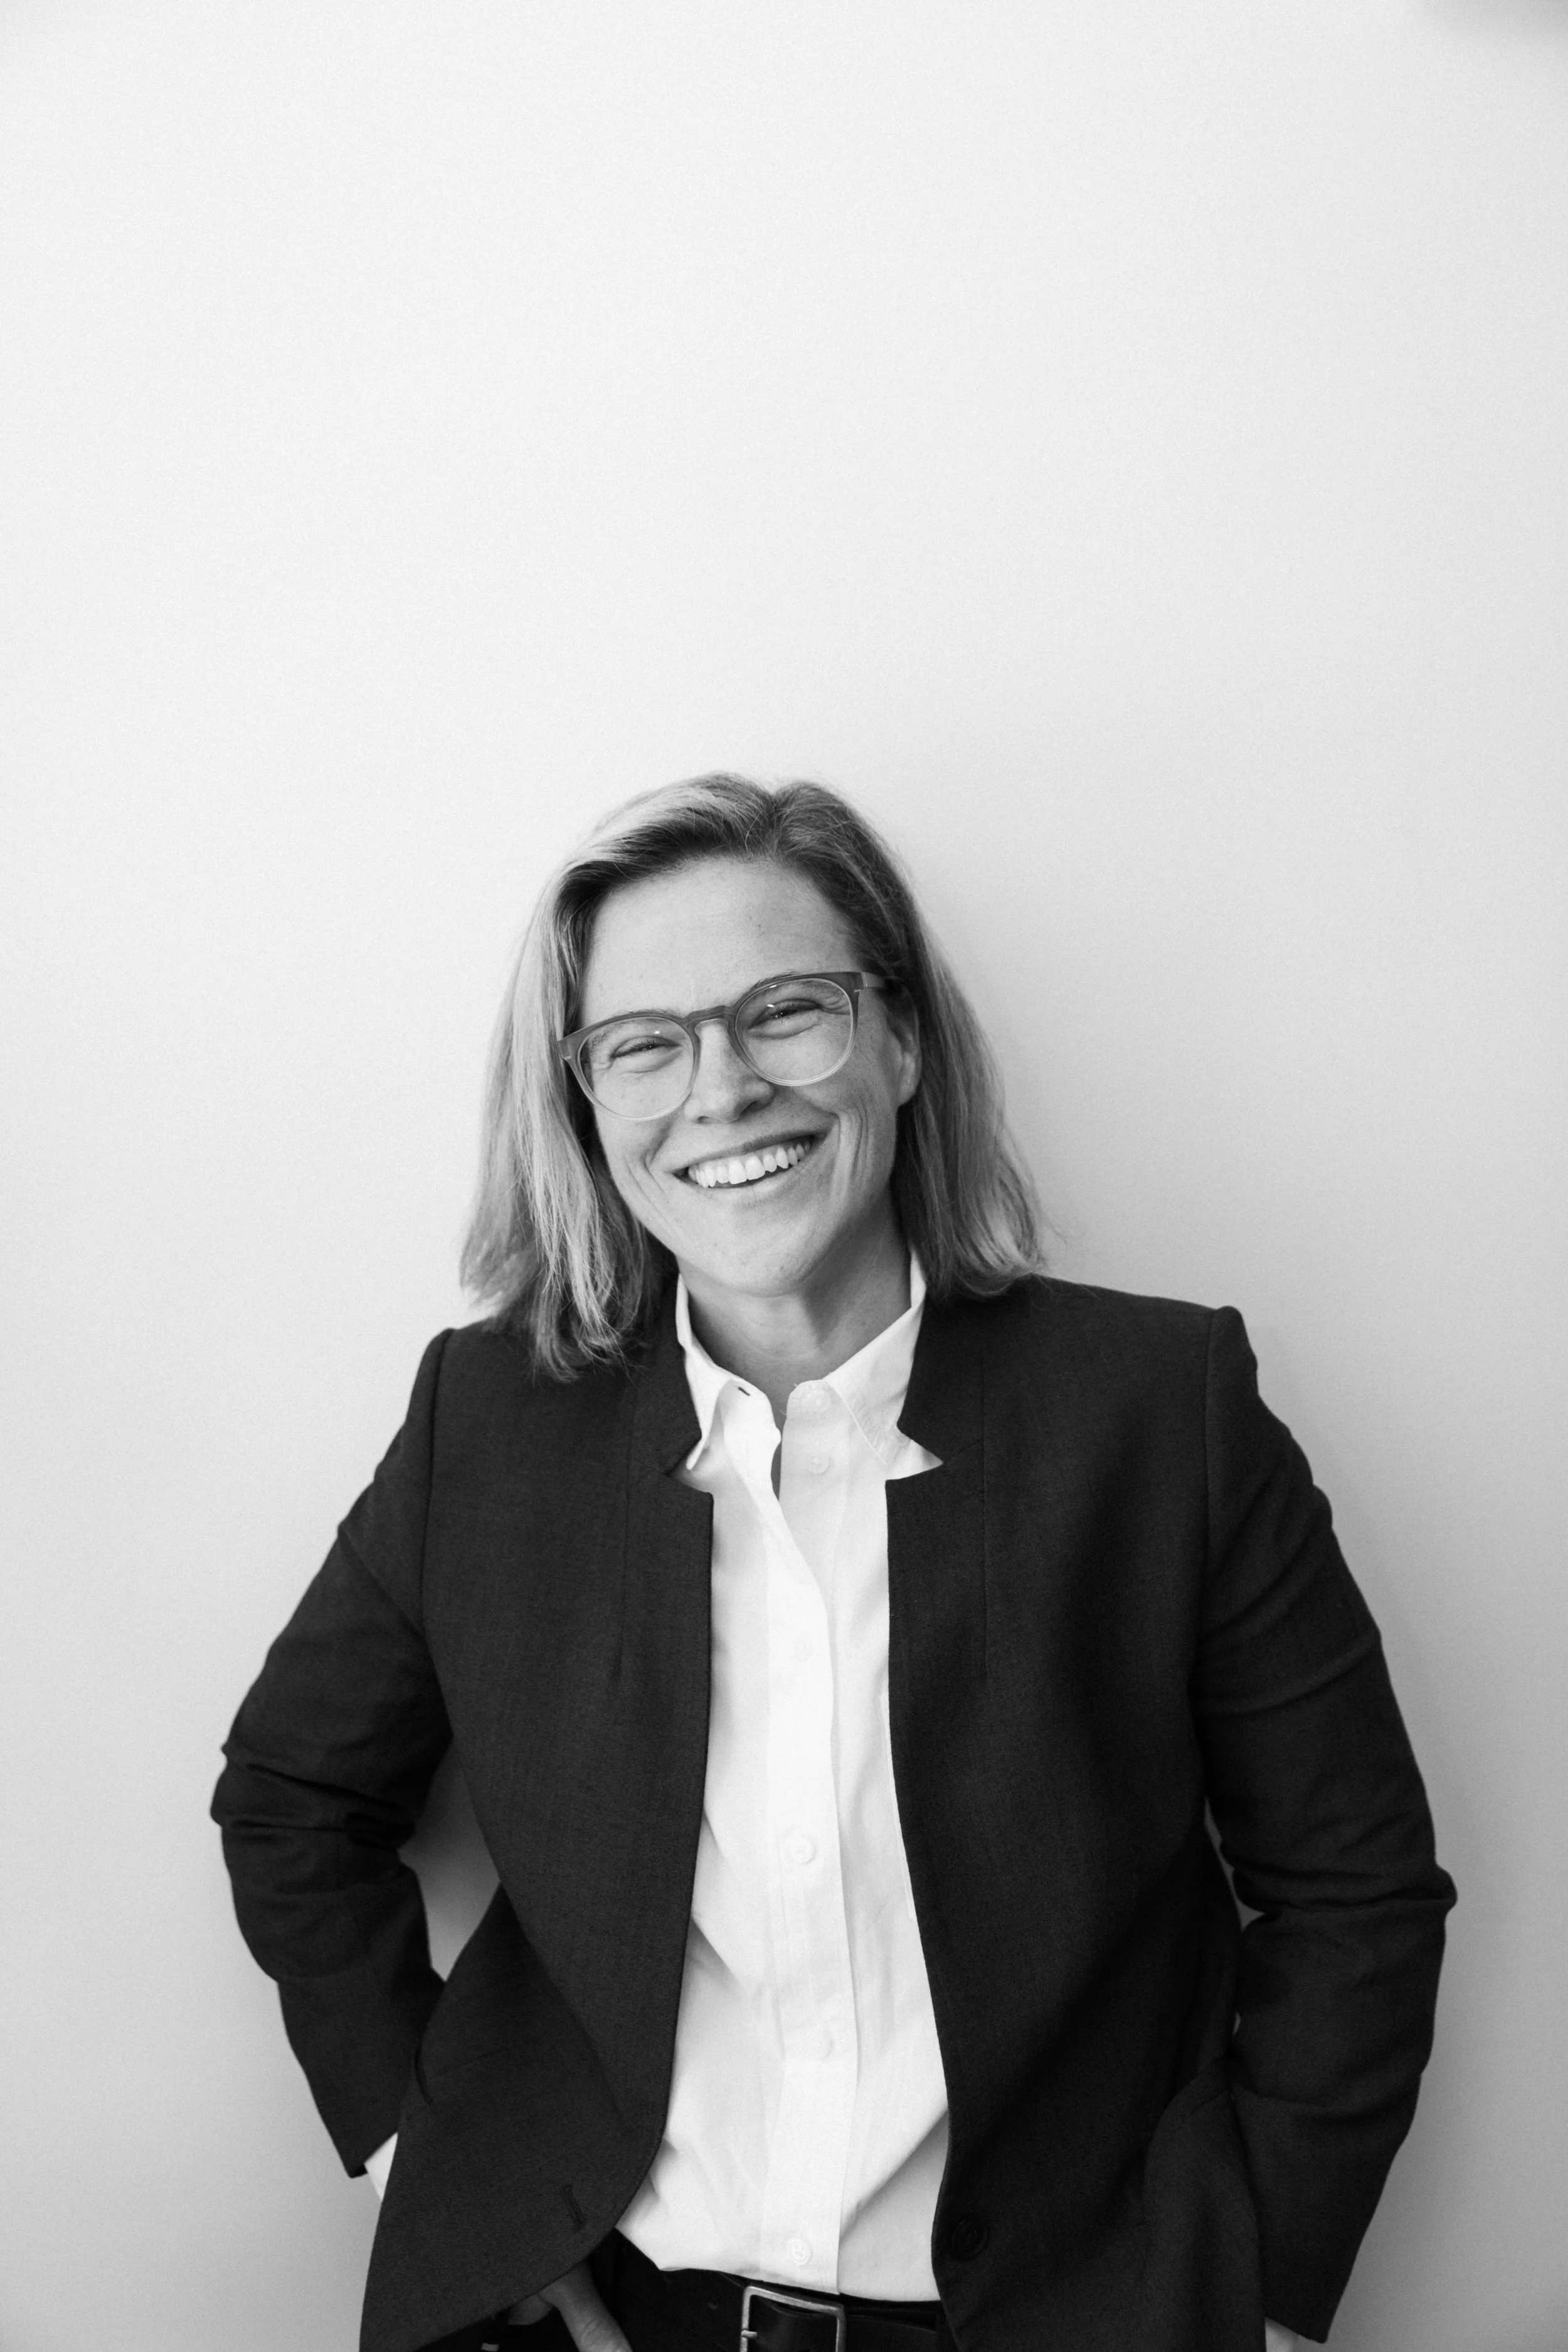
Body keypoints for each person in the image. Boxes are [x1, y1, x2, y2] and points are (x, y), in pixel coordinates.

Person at [213, 774, 1454, 2352]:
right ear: (583, 1103)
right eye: (641, 1046)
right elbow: (291, 1802)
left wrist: (1254, 2298)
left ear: (901, 1040)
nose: (719, 1091)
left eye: (782, 1012)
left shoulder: (1162, 1413)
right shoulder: (488, 1424)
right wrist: (443, 2185)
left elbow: (1353, 1890)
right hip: (615, 2315)